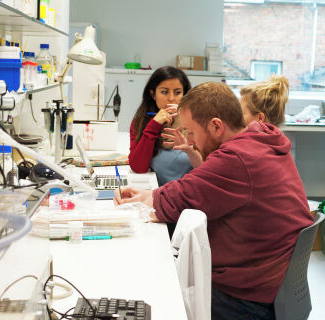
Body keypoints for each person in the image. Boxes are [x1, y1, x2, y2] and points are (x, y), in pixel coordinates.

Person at [115, 82, 313, 319]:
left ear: (216, 126)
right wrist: (148, 196)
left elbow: (178, 200)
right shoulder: (259, 141)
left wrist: (146, 200)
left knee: (157, 295)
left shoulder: (238, 157)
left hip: (248, 297)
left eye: (191, 131)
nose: (189, 139)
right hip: (271, 282)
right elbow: (195, 185)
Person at [128, 66, 201, 186]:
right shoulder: (141, 122)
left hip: (190, 195)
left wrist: (185, 115)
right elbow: (138, 168)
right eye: (164, 92)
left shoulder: (196, 121)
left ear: (185, 95)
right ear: (153, 94)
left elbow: (208, 168)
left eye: (178, 92)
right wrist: (154, 125)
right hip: (157, 195)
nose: (171, 98)